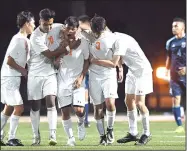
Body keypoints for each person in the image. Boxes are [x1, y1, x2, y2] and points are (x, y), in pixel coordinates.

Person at [89, 15, 153, 145]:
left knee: (140, 103)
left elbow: (113, 62)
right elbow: (121, 58)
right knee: (128, 101)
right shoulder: (113, 36)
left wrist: (95, 61)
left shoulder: (118, 40)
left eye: (98, 33)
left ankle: (147, 133)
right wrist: (121, 69)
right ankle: (133, 133)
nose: (98, 36)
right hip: (132, 71)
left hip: (142, 71)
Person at [27, 8, 69, 146]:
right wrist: (65, 49)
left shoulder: (56, 27)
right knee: (35, 106)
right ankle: (36, 137)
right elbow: (50, 55)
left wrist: (65, 37)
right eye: (46, 24)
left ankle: (53, 135)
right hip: (35, 74)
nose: (49, 27)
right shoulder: (35, 37)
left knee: (51, 101)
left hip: (50, 73)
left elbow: (71, 29)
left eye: (50, 24)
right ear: (40, 22)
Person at [49, 16, 89, 146]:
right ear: (64, 28)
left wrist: (81, 77)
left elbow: (87, 60)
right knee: (65, 111)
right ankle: (70, 138)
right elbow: (54, 62)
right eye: (68, 28)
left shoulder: (83, 42)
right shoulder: (58, 42)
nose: (70, 31)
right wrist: (61, 52)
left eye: (73, 28)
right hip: (62, 79)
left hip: (78, 79)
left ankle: (81, 123)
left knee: (79, 110)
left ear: (77, 29)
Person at [1, 11, 35, 146]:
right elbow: (9, 60)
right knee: (19, 107)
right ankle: (11, 138)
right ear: (26, 23)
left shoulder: (24, 39)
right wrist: (23, 70)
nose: (34, 25)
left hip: (12, 77)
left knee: (9, 108)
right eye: (33, 22)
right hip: (9, 77)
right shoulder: (19, 39)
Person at [88, 16, 121, 146]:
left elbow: (114, 63)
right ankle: (102, 136)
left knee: (110, 103)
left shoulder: (113, 38)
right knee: (98, 107)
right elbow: (80, 28)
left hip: (108, 74)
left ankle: (110, 128)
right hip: (94, 75)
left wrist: (95, 61)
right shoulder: (89, 37)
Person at [165, 17, 186, 133]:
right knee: (175, 99)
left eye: (176, 26)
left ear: (183, 27)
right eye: (173, 26)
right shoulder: (170, 42)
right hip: (175, 77)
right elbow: (168, 56)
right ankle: (179, 126)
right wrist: (167, 69)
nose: (173, 28)